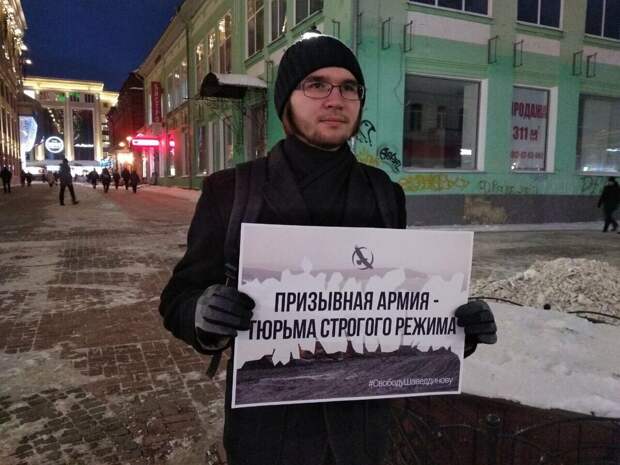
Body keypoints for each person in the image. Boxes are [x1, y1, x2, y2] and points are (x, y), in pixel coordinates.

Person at [159, 32, 497, 465]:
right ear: (286, 101)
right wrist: (203, 314)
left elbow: (393, 305)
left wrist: (454, 329)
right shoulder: (233, 190)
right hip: (268, 434)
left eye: (349, 87)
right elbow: (178, 298)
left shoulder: (384, 193)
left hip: (361, 433)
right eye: (317, 84)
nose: (336, 99)